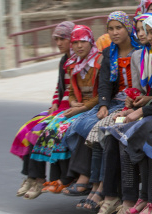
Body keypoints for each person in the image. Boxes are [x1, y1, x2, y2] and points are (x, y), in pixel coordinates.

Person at [94, 13, 152, 214]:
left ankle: (138, 198)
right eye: (146, 32)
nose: (148, 37)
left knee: (129, 135)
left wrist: (143, 111)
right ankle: (113, 196)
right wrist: (143, 101)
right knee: (113, 133)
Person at [63, 11, 141, 203]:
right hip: (114, 101)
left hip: (132, 104)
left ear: (128, 28)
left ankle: (101, 188)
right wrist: (104, 104)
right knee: (81, 125)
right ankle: (96, 185)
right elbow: (105, 82)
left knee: (100, 133)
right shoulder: (109, 53)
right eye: (110, 29)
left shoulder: (141, 51)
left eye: (119, 28)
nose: (115, 33)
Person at [26, 25, 102, 199]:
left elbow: (102, 94)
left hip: (93, 106)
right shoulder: (72, 64)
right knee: (49, 128)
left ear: (90, 41)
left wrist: (79, 107)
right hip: (78, 106)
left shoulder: (98, 62)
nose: (79, 46)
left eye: (83, 41)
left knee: (68, 129)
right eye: (75, 42)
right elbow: (71, 91)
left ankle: (69, 176)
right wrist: (74, 102)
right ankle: (46, 178)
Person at [13, 21, 75, 197]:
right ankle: (32, 177)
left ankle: (39, 180)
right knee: (28, 129)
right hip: (59, 108)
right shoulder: (64, 60)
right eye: (56, 39)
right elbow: (59, 87)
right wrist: (55, 102)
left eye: (62, 39)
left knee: (39, 131)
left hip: (71, 110)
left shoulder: (78, 61)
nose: (59, 43)